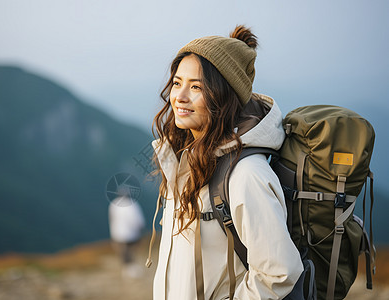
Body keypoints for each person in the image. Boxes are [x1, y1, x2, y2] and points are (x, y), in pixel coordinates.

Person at [147, 25, 304, 299]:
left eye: (196, 87)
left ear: (224, 95)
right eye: (176, 82)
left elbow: (279, 273)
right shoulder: (189, 158)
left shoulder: (246, 175)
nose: (179, 97)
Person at [109, 189, 145, 278]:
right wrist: (140, 229)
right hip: (131, 234)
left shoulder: (113, 204)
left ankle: (126, 269)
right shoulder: (132, 205)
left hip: (117, 234)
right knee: (131, 251)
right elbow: (137, 220)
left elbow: (112, 218)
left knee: (123, 252)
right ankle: (131, 270)